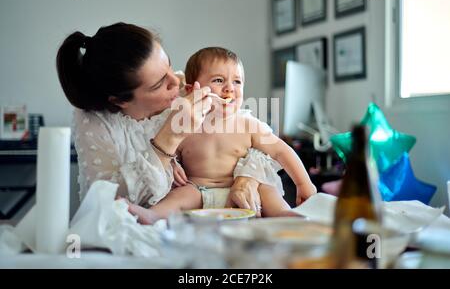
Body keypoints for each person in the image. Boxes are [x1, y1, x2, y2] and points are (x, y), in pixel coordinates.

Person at [56, 22, 277, 216]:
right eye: (160, 83)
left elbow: (253, 136)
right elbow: (104, 204)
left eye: (169, 65)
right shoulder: (94, 120)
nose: (177, 81)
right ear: (119, 101)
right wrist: (168, 140)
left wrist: (247, 177)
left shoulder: (186, 90)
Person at [128, 47, 317, 224]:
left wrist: (303, 184)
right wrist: (172, 164)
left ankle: (283, 214)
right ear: (192, 90)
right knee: (178, 196)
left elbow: (281, 151)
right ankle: (152, 215)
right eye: (218, 80)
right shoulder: (185, 124)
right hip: (198, 190)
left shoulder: (248, 124)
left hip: (240, 192)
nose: (229, 88)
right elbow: (168, 152)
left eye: (237, 81)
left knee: (267, 189)